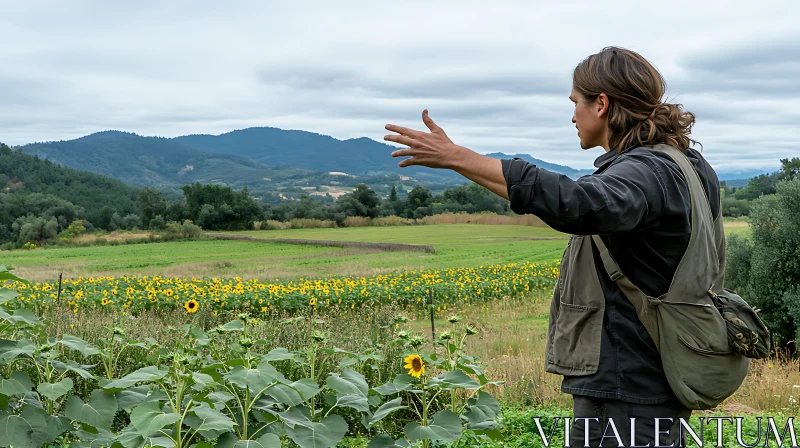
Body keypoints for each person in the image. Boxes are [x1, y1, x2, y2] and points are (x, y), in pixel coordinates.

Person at [383, 46, 722, 447]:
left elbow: (577, 205)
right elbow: (574, 203)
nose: (572, 115)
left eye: (576, 102)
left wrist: (458, 156)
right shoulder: (684, 165)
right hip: (653, 377)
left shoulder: (645, 171)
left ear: (602, 104)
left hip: (627, 386)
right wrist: (460, 163)